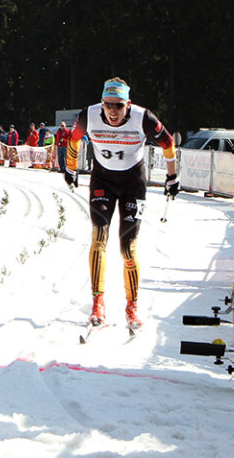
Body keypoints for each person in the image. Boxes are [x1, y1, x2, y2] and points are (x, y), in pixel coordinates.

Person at [64, 77, 178, 330]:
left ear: (128, 104)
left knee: (128, 247)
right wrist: (71, 169)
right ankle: (98, 303)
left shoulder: (143, 117)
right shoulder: (89, 115)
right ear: (102, 103)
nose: (113, 111)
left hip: (133, 184)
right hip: (102, 180)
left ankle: (132, 305)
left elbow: (169, 144)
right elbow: (73, 140)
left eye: (119, 106)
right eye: (108, 105)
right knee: (99, 237)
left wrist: (173, 177)